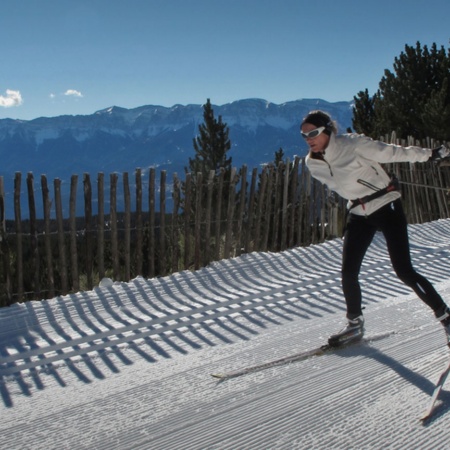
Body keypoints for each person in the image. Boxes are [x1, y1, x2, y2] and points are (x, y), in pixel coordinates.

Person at [300, 110, 450, 347]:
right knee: (348, 272)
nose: (308, 138)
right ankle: (354, 324)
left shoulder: (353, 144)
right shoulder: (312, 163)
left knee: (403, 270)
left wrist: (430, 155)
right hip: (358, 213)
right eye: (304, 135)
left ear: (328, 130)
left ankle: (446, 317)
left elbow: (392, 152)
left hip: (385, 205)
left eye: (313, 133)